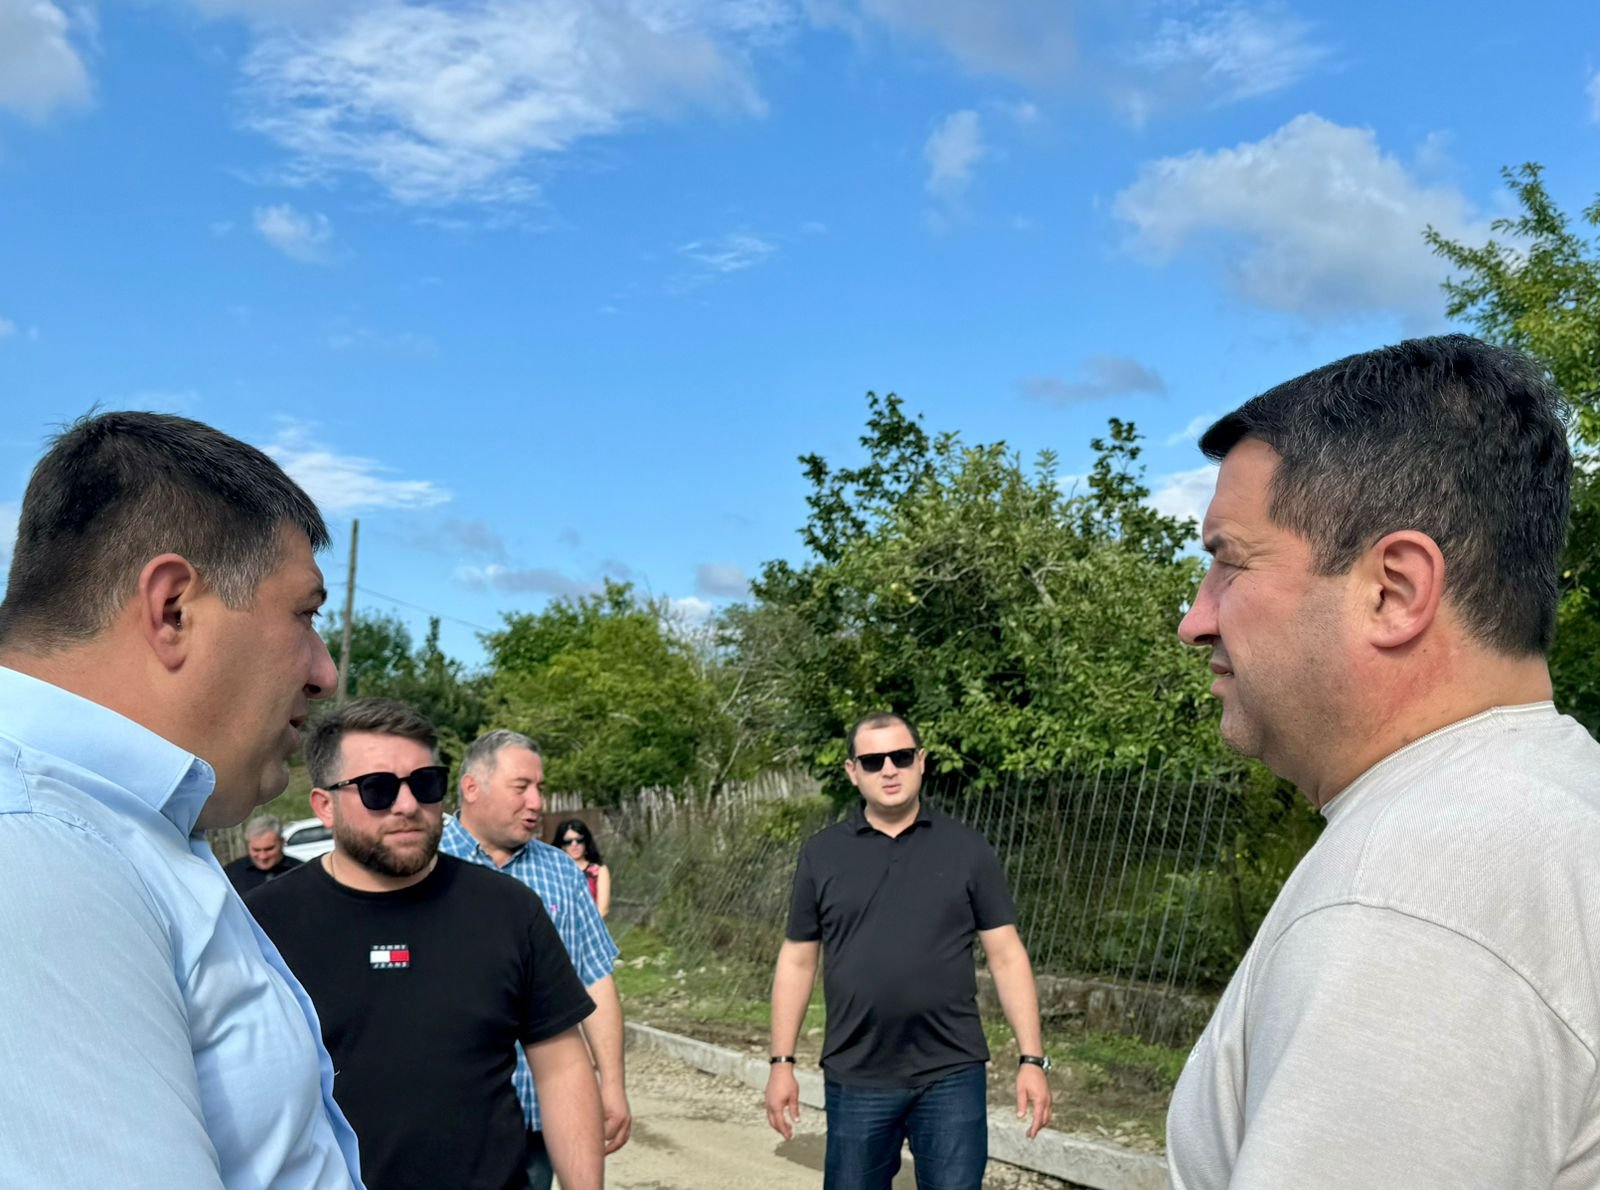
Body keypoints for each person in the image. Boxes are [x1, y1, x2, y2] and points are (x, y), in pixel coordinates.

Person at [1166, 335, 1600, 1188]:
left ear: (1394, 591)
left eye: (1228, 562)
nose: (1195, 620)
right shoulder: (1556, 803)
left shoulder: (1414, 895)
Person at [0, 411, 361, 1187]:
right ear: (172, 609)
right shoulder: (36, 845)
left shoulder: (117, 825)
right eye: (304, 614)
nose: (324, 672)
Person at [248, 700, 605, 1190]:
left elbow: (562, 1066)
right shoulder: (264, 925)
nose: (407, 804)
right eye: (377, 788)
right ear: (324, 806)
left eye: (426, 783)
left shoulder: (507, 910)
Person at [764, 712, 1053, 1189]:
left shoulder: (967, 849)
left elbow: (1007, 955)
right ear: (852, 771)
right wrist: (781, 1064)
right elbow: (797, 959)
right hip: (858, 1072)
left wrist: (1032, 1060)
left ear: (921, 762)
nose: (889, 770)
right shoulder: (822, 854)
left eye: (900, 757)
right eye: (872, 761)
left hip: (951, 1071)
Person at [442, 731, 631, 1190]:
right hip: (446, 1117)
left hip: (539, 1117)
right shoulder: (426, 862)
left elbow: (594, 979)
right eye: (521, 787)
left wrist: (611, 1084)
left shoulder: (560, 871)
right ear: (472, 788)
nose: (536, 802)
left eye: (539, 788)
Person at [224, 812, 304, 894]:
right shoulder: (230, 874)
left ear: (282, 842)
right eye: (256, 850)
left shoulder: (302, 871)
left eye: (269, 849)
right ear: (248, 845)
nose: (263, 857)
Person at [553, 816, 611, 917]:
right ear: (562, 845)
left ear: (586, 841)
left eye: (579, 840)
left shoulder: (600, 870)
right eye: (568, 841)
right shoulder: (554, 871)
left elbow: (603, 910)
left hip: (591, 924)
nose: (574, 844)